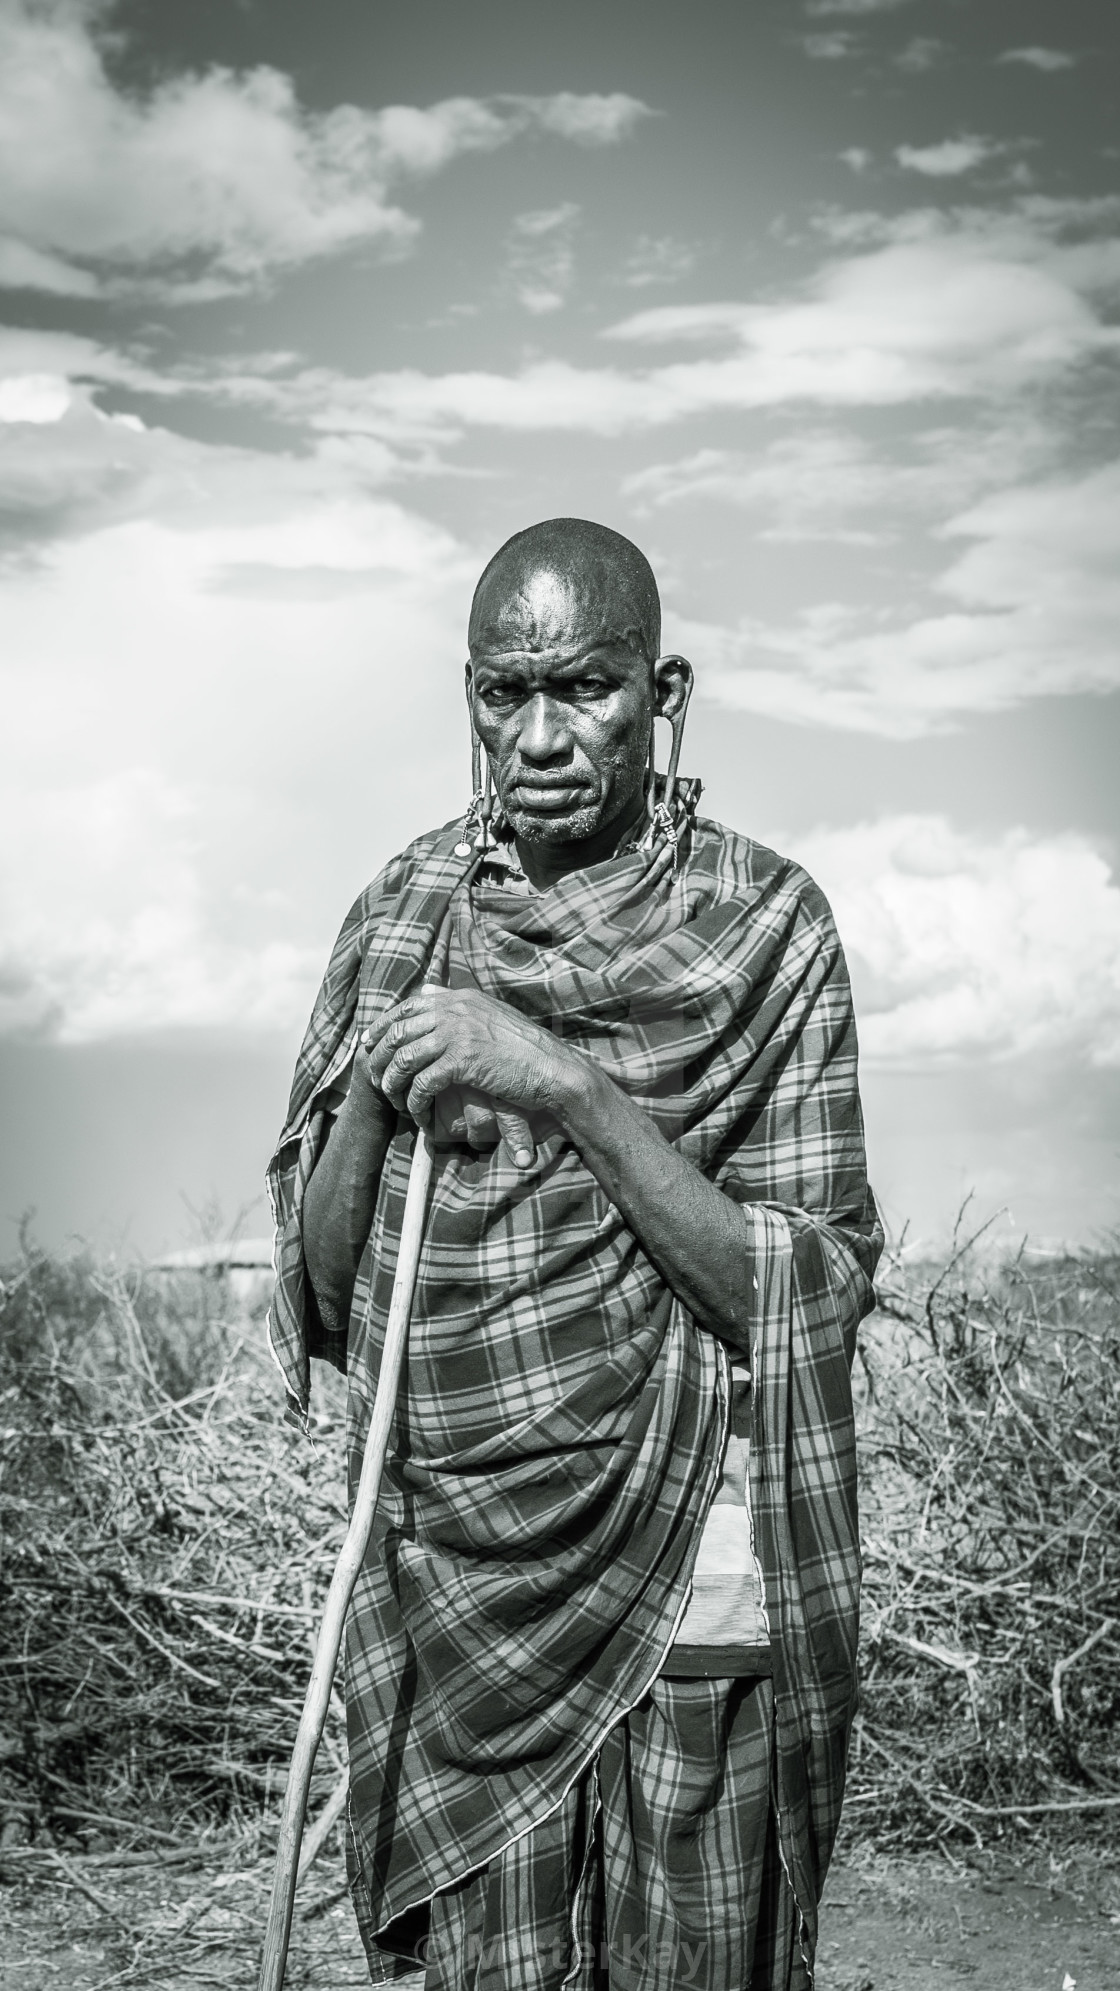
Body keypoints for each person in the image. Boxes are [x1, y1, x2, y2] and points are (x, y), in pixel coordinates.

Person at [267, 517, 882, 1991]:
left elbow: (800, 1285)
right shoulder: (405, 917)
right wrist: (380, 1088)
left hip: (695, 1566)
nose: (539, 739)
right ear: (470, 697)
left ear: (663, 696)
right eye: (505, 693)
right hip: (455, 1586)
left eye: (586, 690)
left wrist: (565, 1087)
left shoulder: (764, 927)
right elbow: (329, 1303)